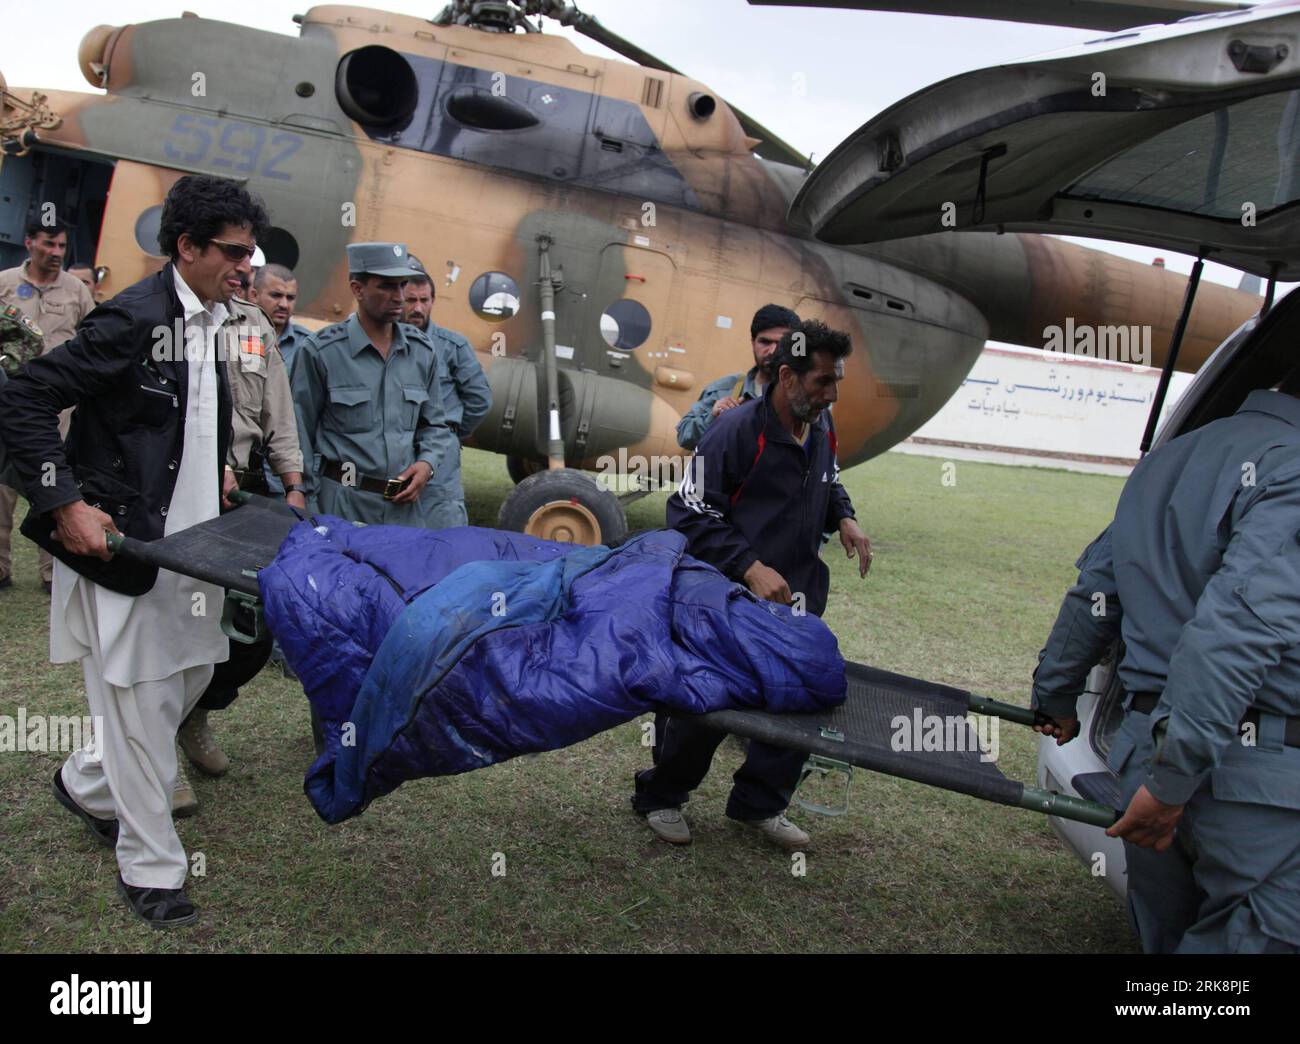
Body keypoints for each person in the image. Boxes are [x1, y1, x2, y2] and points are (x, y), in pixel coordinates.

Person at [0, 175, 269, 927]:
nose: (246, 265)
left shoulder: (216, 319)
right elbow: (22, 399)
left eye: (251, 251)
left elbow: (183, 412)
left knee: (194, 673)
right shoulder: (130, 319)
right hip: (124, 547)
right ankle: (152, 869)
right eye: (232, 251)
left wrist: (211, 459)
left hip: (194, 549)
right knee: (142, 700)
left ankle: (86, 780)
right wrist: (64, 503)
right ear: (185, 247)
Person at [1032, 379, 1300, 955]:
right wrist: (1175, 780)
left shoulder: (1171, 455)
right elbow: (1235, 633)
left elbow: (1096, 593)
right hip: (1251, 781)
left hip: (1142, 757)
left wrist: (1055, 692)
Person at [633, 319, 873, 850]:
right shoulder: (735, 431)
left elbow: (828, 481)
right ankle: (662, 797)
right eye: (822, 382)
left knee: (798, 701)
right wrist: (747, 566)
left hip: (798, 596)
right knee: (707, 706)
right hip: (728, 599)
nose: (832, 394)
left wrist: (846, 518)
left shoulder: (822, 425)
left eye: (837, 382)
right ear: (787, 377)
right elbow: (688, 512)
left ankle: (760, 806)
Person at [173, 292, 307, 808]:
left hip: (245, 495)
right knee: (181, 620)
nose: (240, 272)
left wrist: (293, 484)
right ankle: (158, 749)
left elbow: (279, 410)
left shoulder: (255, 326)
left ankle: (197, 711)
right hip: (181, 490)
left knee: (253, 627)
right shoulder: (169, 315)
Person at [290, 243, 456, 526]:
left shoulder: (421, 351)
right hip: (341, 506)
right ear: (357, 289)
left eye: (402, 285)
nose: (399, 297)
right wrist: (302, 494)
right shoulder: (322, 352)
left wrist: (427, 463)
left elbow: (435, 425)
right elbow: (297, 431)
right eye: (386, 287)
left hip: (403, 513)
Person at [0, 217, 96, 593]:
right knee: (1, 489)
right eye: (49, 244)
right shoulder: (5, 284)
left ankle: (55, 572)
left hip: (58, 409)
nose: (56, 253)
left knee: (56, 483)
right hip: (7, 402)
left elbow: (93, 341)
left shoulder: (76, 291)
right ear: (29, 243)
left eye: (61, 246)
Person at [402, 270, 491, 527]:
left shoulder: (453, 346)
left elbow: (480, 399)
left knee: (442, 517)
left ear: (433, 301)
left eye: (424, 300)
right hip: (397, 443)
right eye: (411, 300)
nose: (418, 307)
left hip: (441, 450)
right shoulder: (387, 342)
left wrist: (450, 432)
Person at [675, 304, 799, 452]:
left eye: (781, 343)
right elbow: (684, 436)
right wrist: (714, 418)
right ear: (753, 343)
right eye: (765, 342)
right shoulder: (725, 390)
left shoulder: (806, 397)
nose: (772, 351)